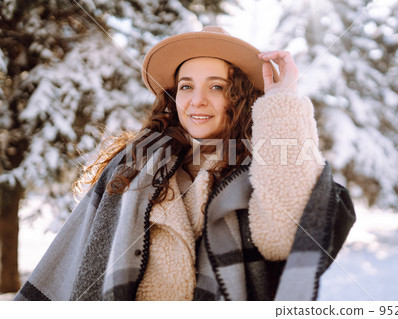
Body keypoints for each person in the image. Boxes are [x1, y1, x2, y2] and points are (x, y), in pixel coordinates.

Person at [14, 26, 355, 301]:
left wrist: (281, 100)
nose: (197, 100)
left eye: (217, 86)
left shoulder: (264, 169)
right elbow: (74, 262)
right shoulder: (132, 165)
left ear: (239, 97)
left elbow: (284, 238)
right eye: (186, 86)